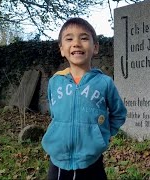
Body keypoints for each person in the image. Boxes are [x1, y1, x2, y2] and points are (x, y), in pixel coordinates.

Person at [41, 17, 127, 180]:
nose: (76, 43)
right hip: (58, 163)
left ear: (95, 47)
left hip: (92, 162)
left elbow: (119, 113)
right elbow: (54, 112)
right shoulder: (55, 81)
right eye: (69, 39)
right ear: (61, 49)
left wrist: (105, 134)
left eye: (84, 38)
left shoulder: (104, 83)